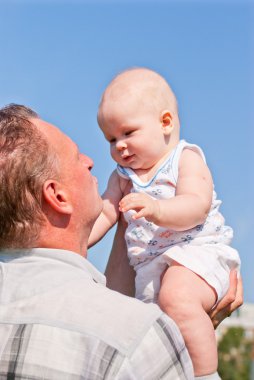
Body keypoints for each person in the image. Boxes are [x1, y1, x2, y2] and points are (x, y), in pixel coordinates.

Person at [0, 104, 242, 380]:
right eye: (76, 157)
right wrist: (185, 336)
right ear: (58, 196)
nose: (90, 160)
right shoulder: (137, 337)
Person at [88, 68, 241, 379]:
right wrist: (78, 240)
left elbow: (195, 206)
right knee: (152, 328)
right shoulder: (122, 176)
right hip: (150, 267)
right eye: (111, 138)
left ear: (165, 123)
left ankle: (204, 374)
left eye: (128, 133)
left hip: (195, 253)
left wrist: (157, 208)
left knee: (177, 297)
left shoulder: (185, 158)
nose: (119, 146)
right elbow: (105, 212)